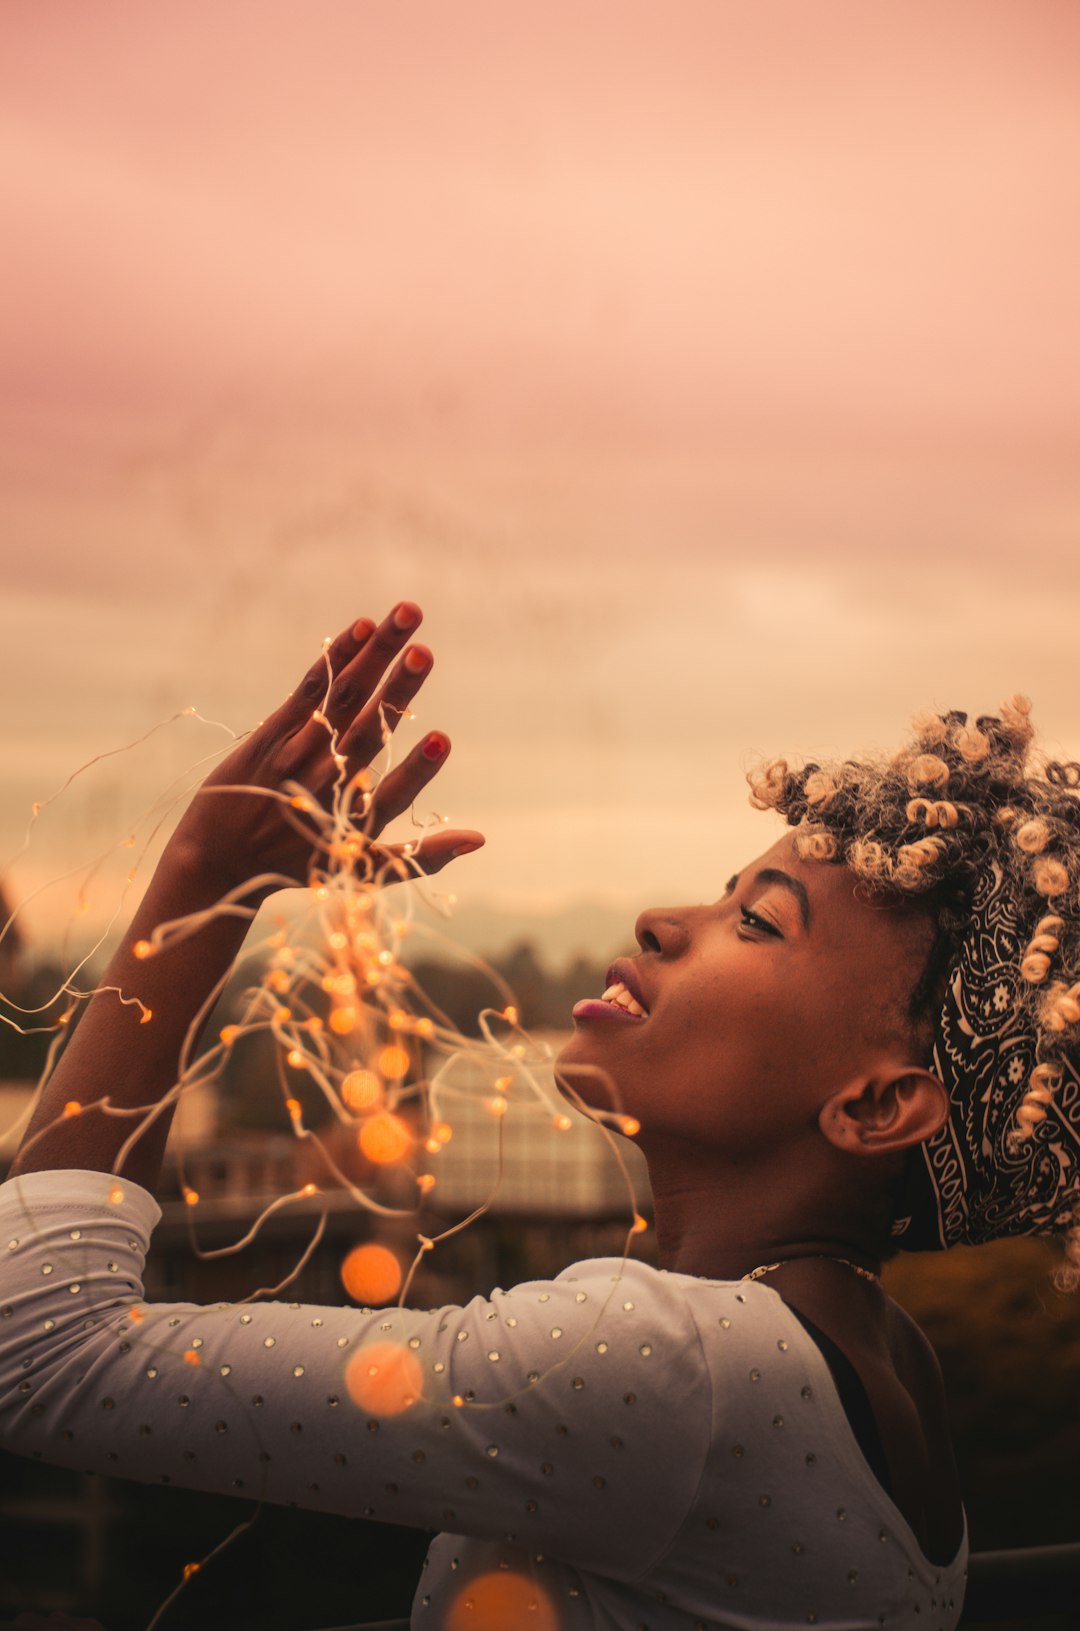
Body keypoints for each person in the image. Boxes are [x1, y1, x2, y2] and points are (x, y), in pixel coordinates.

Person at [2, 603, 1078, 1630]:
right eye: (723, 889)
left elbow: (38, 1350)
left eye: (756, 921)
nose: (665, 921)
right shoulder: (884, 1355)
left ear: (878, 1105)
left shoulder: (671, 1364)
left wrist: (204, 885)